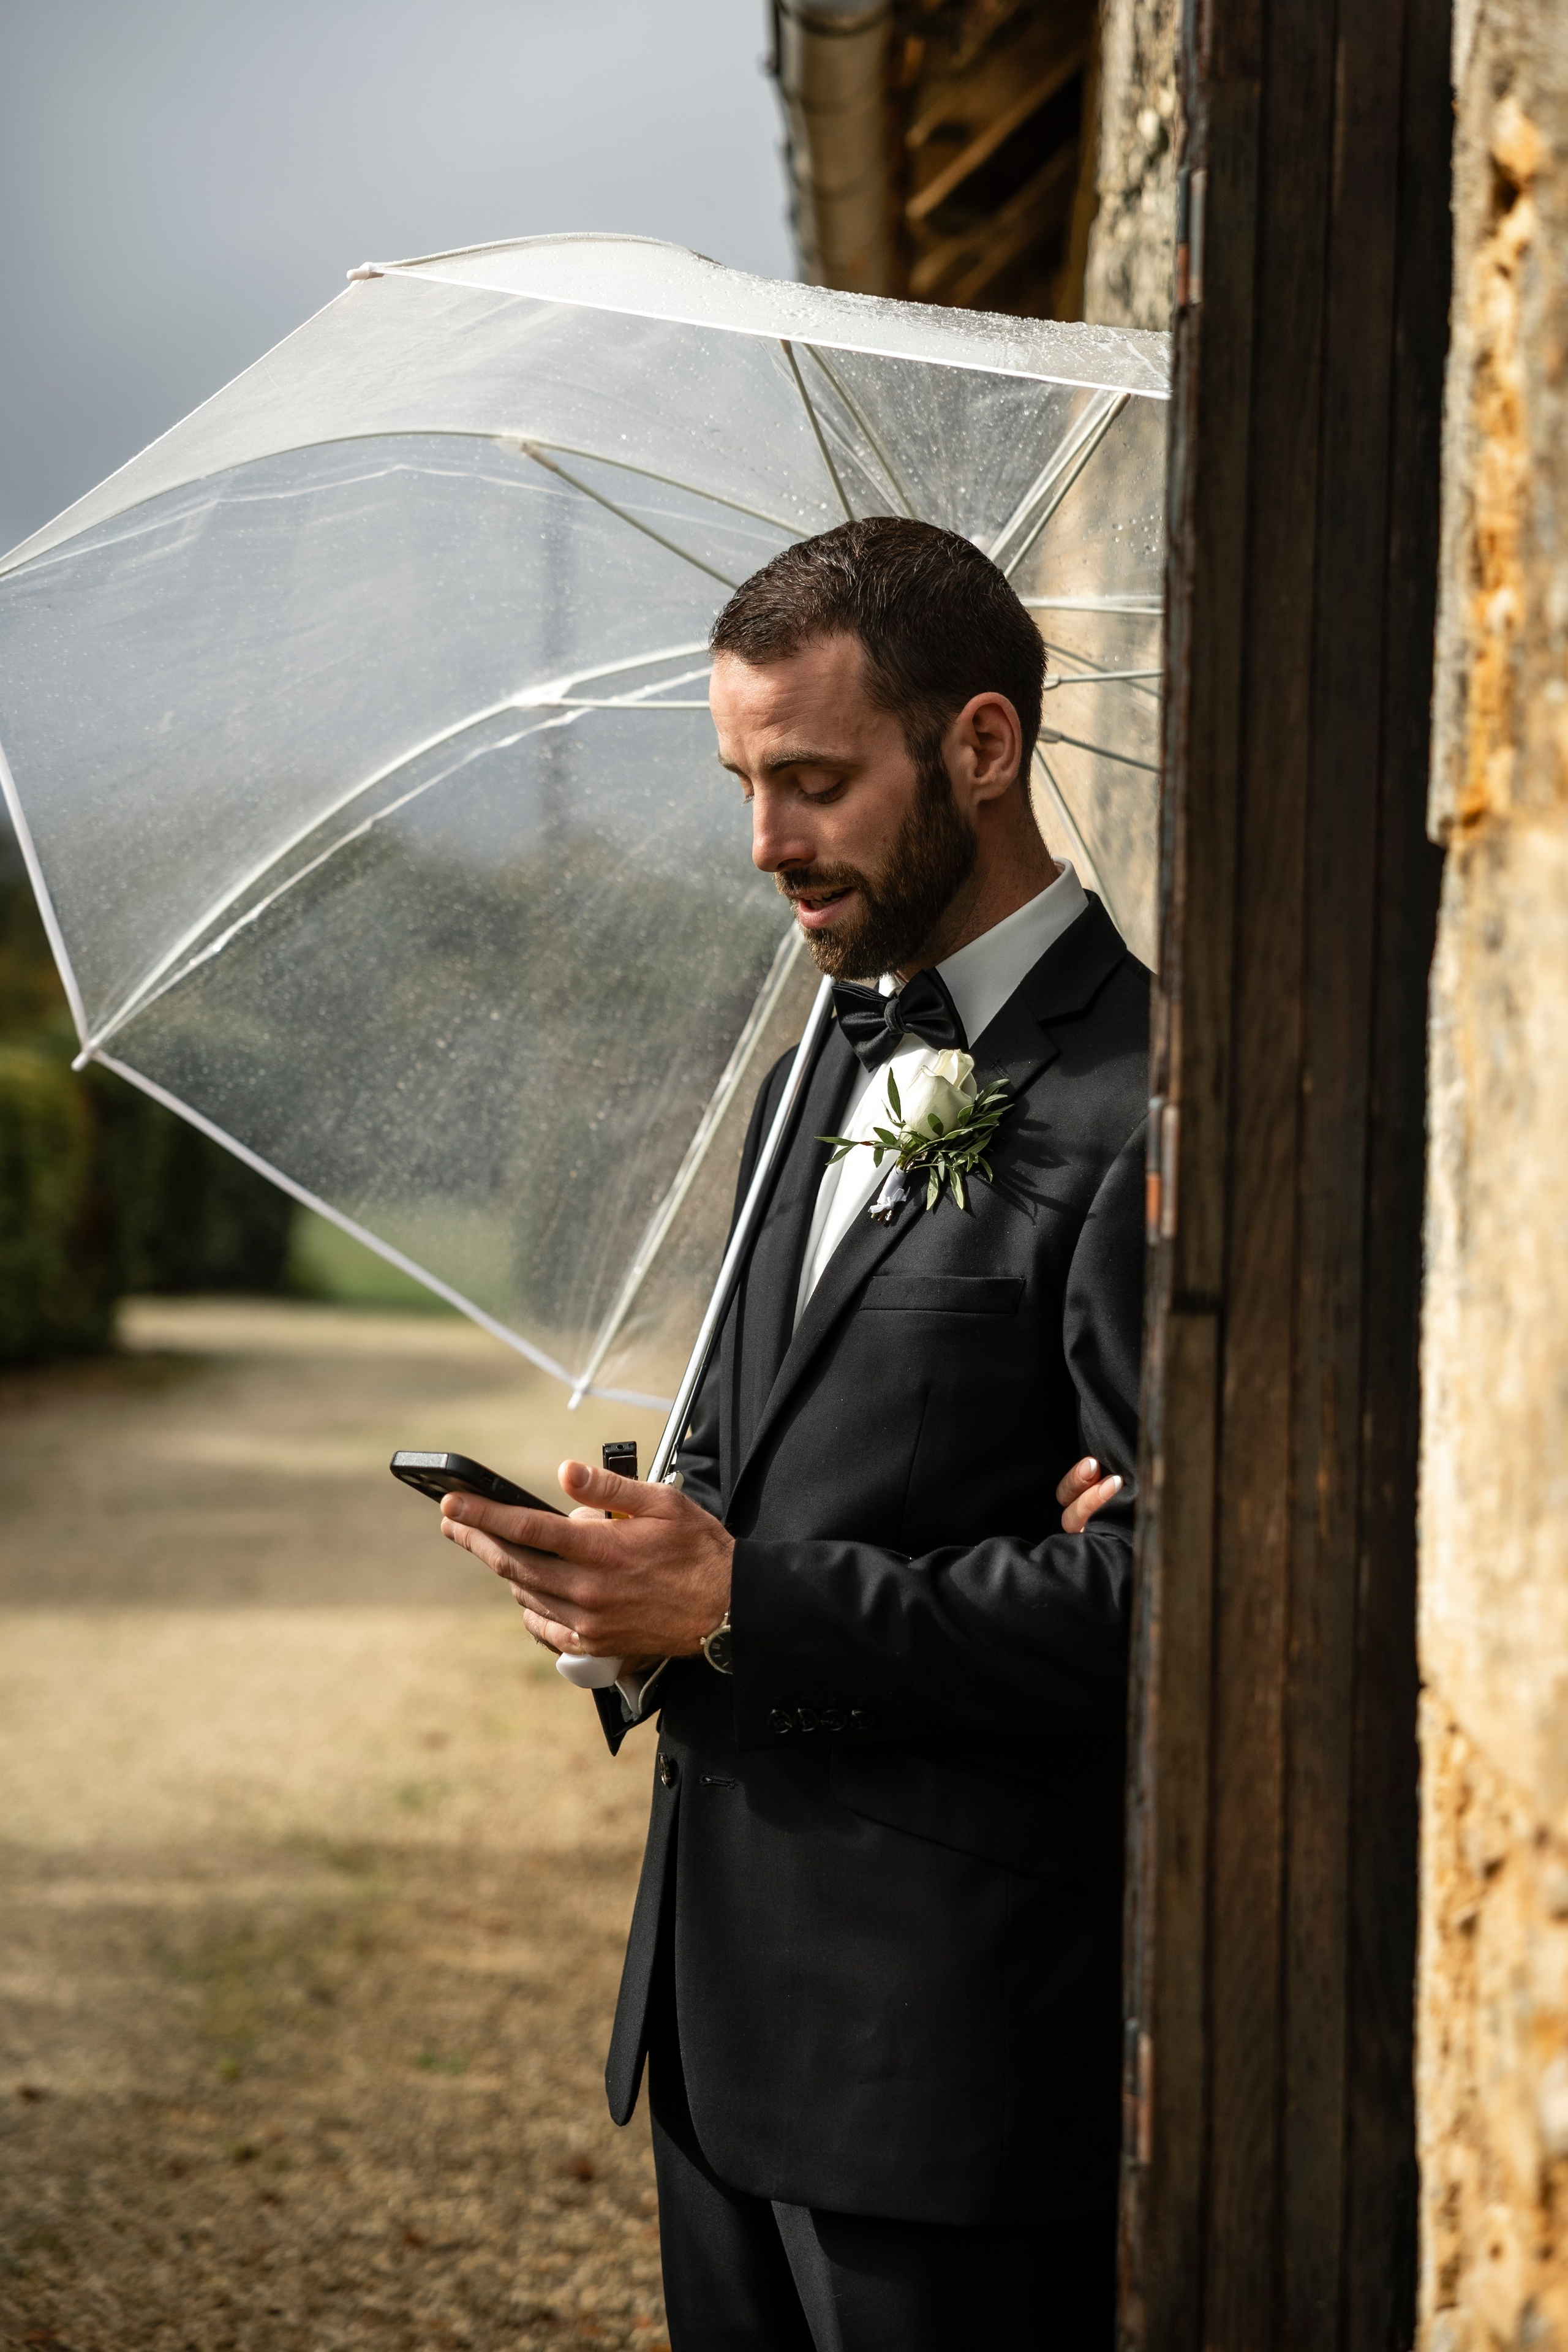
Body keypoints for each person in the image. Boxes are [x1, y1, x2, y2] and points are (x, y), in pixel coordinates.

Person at [440, 518, 1147, 2348]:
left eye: (815, 781)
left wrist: (746, 1599)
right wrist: (627, 1565)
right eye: (745, 782)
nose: (765, 842)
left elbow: (1158, 1604)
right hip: (713, 2028)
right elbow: (747, 1462)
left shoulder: (1150, 1096)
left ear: (981, 748)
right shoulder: (805, 1072)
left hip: (954, 2050)